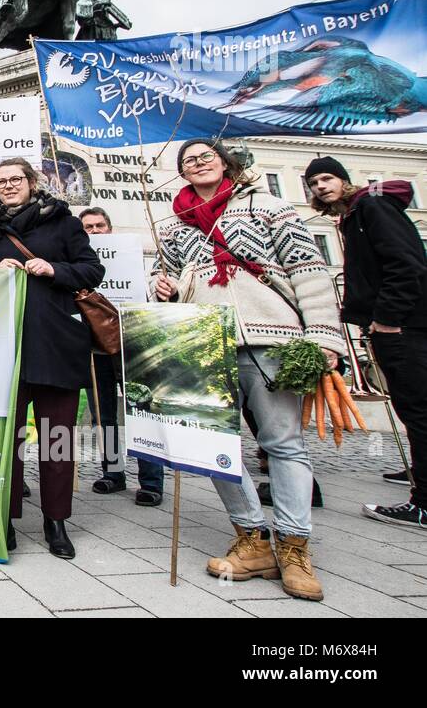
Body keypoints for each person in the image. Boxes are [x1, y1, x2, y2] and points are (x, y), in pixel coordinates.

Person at [152, 139, 345, 601]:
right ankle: (252, 537)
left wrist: (323, 335)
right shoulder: (175, 225)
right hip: (206, 341)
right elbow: (177, 281)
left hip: (270, 337)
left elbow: (309, 270)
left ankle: (295, 546)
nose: (197, 165)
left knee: (283, 444)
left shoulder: (270, 206)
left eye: (205, 157)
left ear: (224, 162)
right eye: (188, 162)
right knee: (213, 445)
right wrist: (162, 286)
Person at [0, 157, 104, 560]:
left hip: (55, 344)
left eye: (16, 179)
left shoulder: (62, 220)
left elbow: (91, 270)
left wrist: (53, 268)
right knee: (4, 440)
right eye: (1, 181)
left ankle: (56, 521)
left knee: (57, 440)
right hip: (4, 348)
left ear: (31, 182)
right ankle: (5, 517)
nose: (9, 186)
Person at [306, 156, 427, 529]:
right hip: (399, 326)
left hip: (404, 327)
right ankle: (418, 475)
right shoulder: (354, 215)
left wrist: (387, 320)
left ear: (345, 180)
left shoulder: (371, 207)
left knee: (418, 410)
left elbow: (407, 266)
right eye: (313, 183)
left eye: (327, 178)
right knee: (412, 409)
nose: (320, 187)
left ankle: (423, 502)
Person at [78, 206, 165, 505]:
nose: (95, 231)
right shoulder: (80, 262)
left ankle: (151, 481)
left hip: (132, 343)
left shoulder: (130, 258)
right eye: (88, 227)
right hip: (95, 348)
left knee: (141, 411)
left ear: (109, 228)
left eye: (99, 225)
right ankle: (113, 473)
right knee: (104, 416)